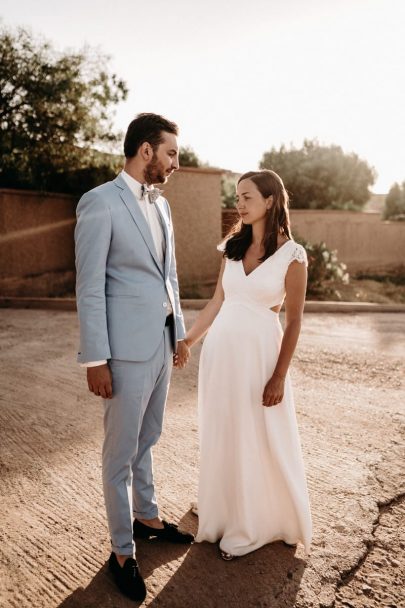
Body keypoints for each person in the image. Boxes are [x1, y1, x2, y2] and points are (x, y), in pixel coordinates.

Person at [75, 113, 193, 602]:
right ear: (145, 151)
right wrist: (95, 359)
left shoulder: (161, 206)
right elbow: (89, 287)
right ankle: (122, 552)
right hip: (122, 352)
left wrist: (180, 332)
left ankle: (147, 518)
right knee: (119, 454)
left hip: (162, 344)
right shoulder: (100, 203)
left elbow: (170, 275)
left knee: (150, 436)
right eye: (171, 153)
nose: (176, 163)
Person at [185, 169, 312, 559]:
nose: (238, 203)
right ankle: (222, 512)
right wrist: (188, 340)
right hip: (221, 355)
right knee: (224, 429)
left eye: (247, 197)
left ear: (271, 201)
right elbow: (216, 303)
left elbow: (293, 321)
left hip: (260, 357)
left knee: (258, 434)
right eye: (237, 196)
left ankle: (252, 524)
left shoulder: (293, 255)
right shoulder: (232, 248)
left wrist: (278, 376)